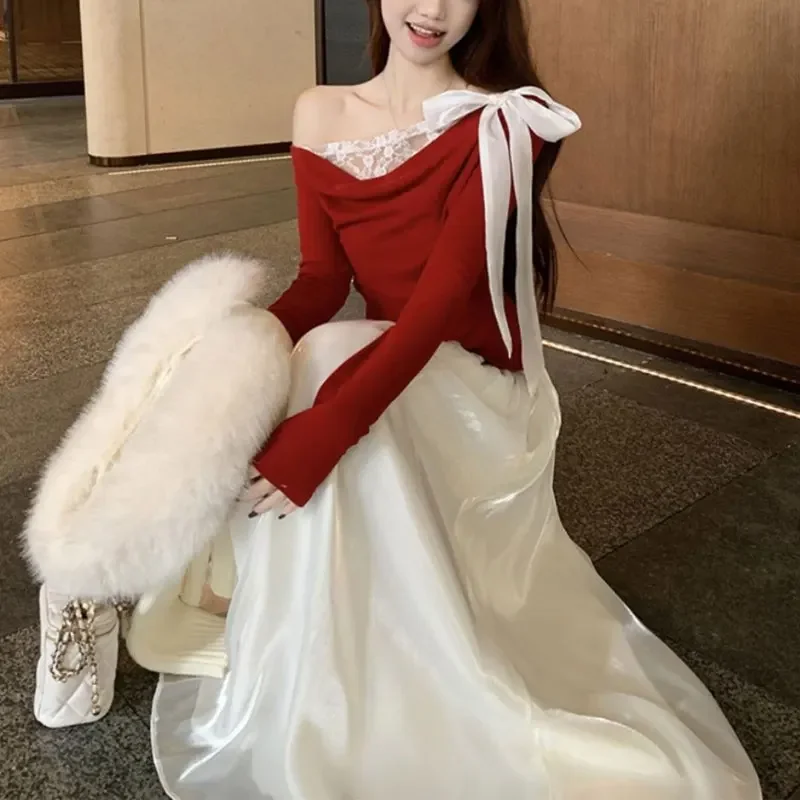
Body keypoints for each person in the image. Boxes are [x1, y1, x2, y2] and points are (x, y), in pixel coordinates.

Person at [147, 1, 763, 797]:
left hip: (471, 386)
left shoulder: (497, 123)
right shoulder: (319, 111)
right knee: (302, 354)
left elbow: (437, 308)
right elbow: (322, 281)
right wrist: (228, 352)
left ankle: (333, 660)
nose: (432, 8)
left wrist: (329, 429)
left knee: (332, 359)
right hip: (378, 361)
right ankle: (317, 642)